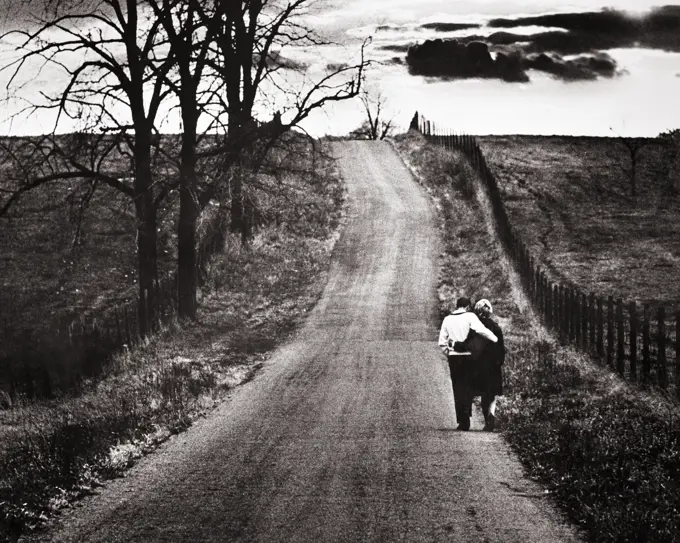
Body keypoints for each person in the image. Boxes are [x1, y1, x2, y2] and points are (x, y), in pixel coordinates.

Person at [438, 296, 498, 431]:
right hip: (468, 358)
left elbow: (442, 342)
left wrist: (449, 352)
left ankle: (462, 420)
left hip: (454, 358)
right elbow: (481, 330)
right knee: (467, 388)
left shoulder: (447, 319)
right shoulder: (470, 316)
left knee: (457, 387)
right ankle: (467, 414)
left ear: (457, 305)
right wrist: (494, 338)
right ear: (467, 307)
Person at [470, 299, 505, 431]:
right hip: (493, 366)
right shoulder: (496, 327)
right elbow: (501, 348)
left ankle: (486, 418)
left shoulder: (474, 327)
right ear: (490, 312)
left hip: (478, 365)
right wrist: (499, 362)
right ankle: (491, 415)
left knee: (481, 392)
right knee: (491, 394)